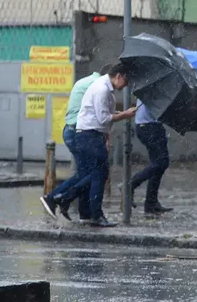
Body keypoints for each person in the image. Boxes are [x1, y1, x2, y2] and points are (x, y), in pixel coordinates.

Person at [40, 63, 137, 227]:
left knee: (90, 174)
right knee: (98, 174)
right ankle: (86, 210)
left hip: (92, 135)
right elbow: (103, 119)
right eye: (126, 80)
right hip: (89, 135)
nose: (127, 85)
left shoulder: (106, 90)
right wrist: (126, 115)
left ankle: (65, 200)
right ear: (118, 76)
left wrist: (122, 114)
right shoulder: (102, 89)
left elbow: (103, 114)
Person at [52, 63, 113, 222]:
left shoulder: (87, 81)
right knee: (90, 173)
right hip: (80, 131)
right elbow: (99, 115)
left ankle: (84, 212)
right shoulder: (98, 86)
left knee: (90, 172)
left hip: (74, 129)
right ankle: (56, 197)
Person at [126, 99, 173, 214]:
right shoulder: (155, 89)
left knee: (158, 164)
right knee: (162, 162)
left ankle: (151, 203)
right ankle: (131, 185)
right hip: (150, 127)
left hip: (151, 126)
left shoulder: (155, 87)